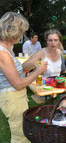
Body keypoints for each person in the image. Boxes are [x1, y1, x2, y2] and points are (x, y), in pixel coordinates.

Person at [0, 12, 47, 143]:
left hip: (15, 96)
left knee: (24, 133)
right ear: (13, 31)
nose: (22, 36)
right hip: (12, 98)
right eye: (21, 32)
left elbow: (19, 69)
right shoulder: (3, 53)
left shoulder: (8, 49)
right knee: (20, 137)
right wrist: (38, 71)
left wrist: (35, 61)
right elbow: (18, 84)